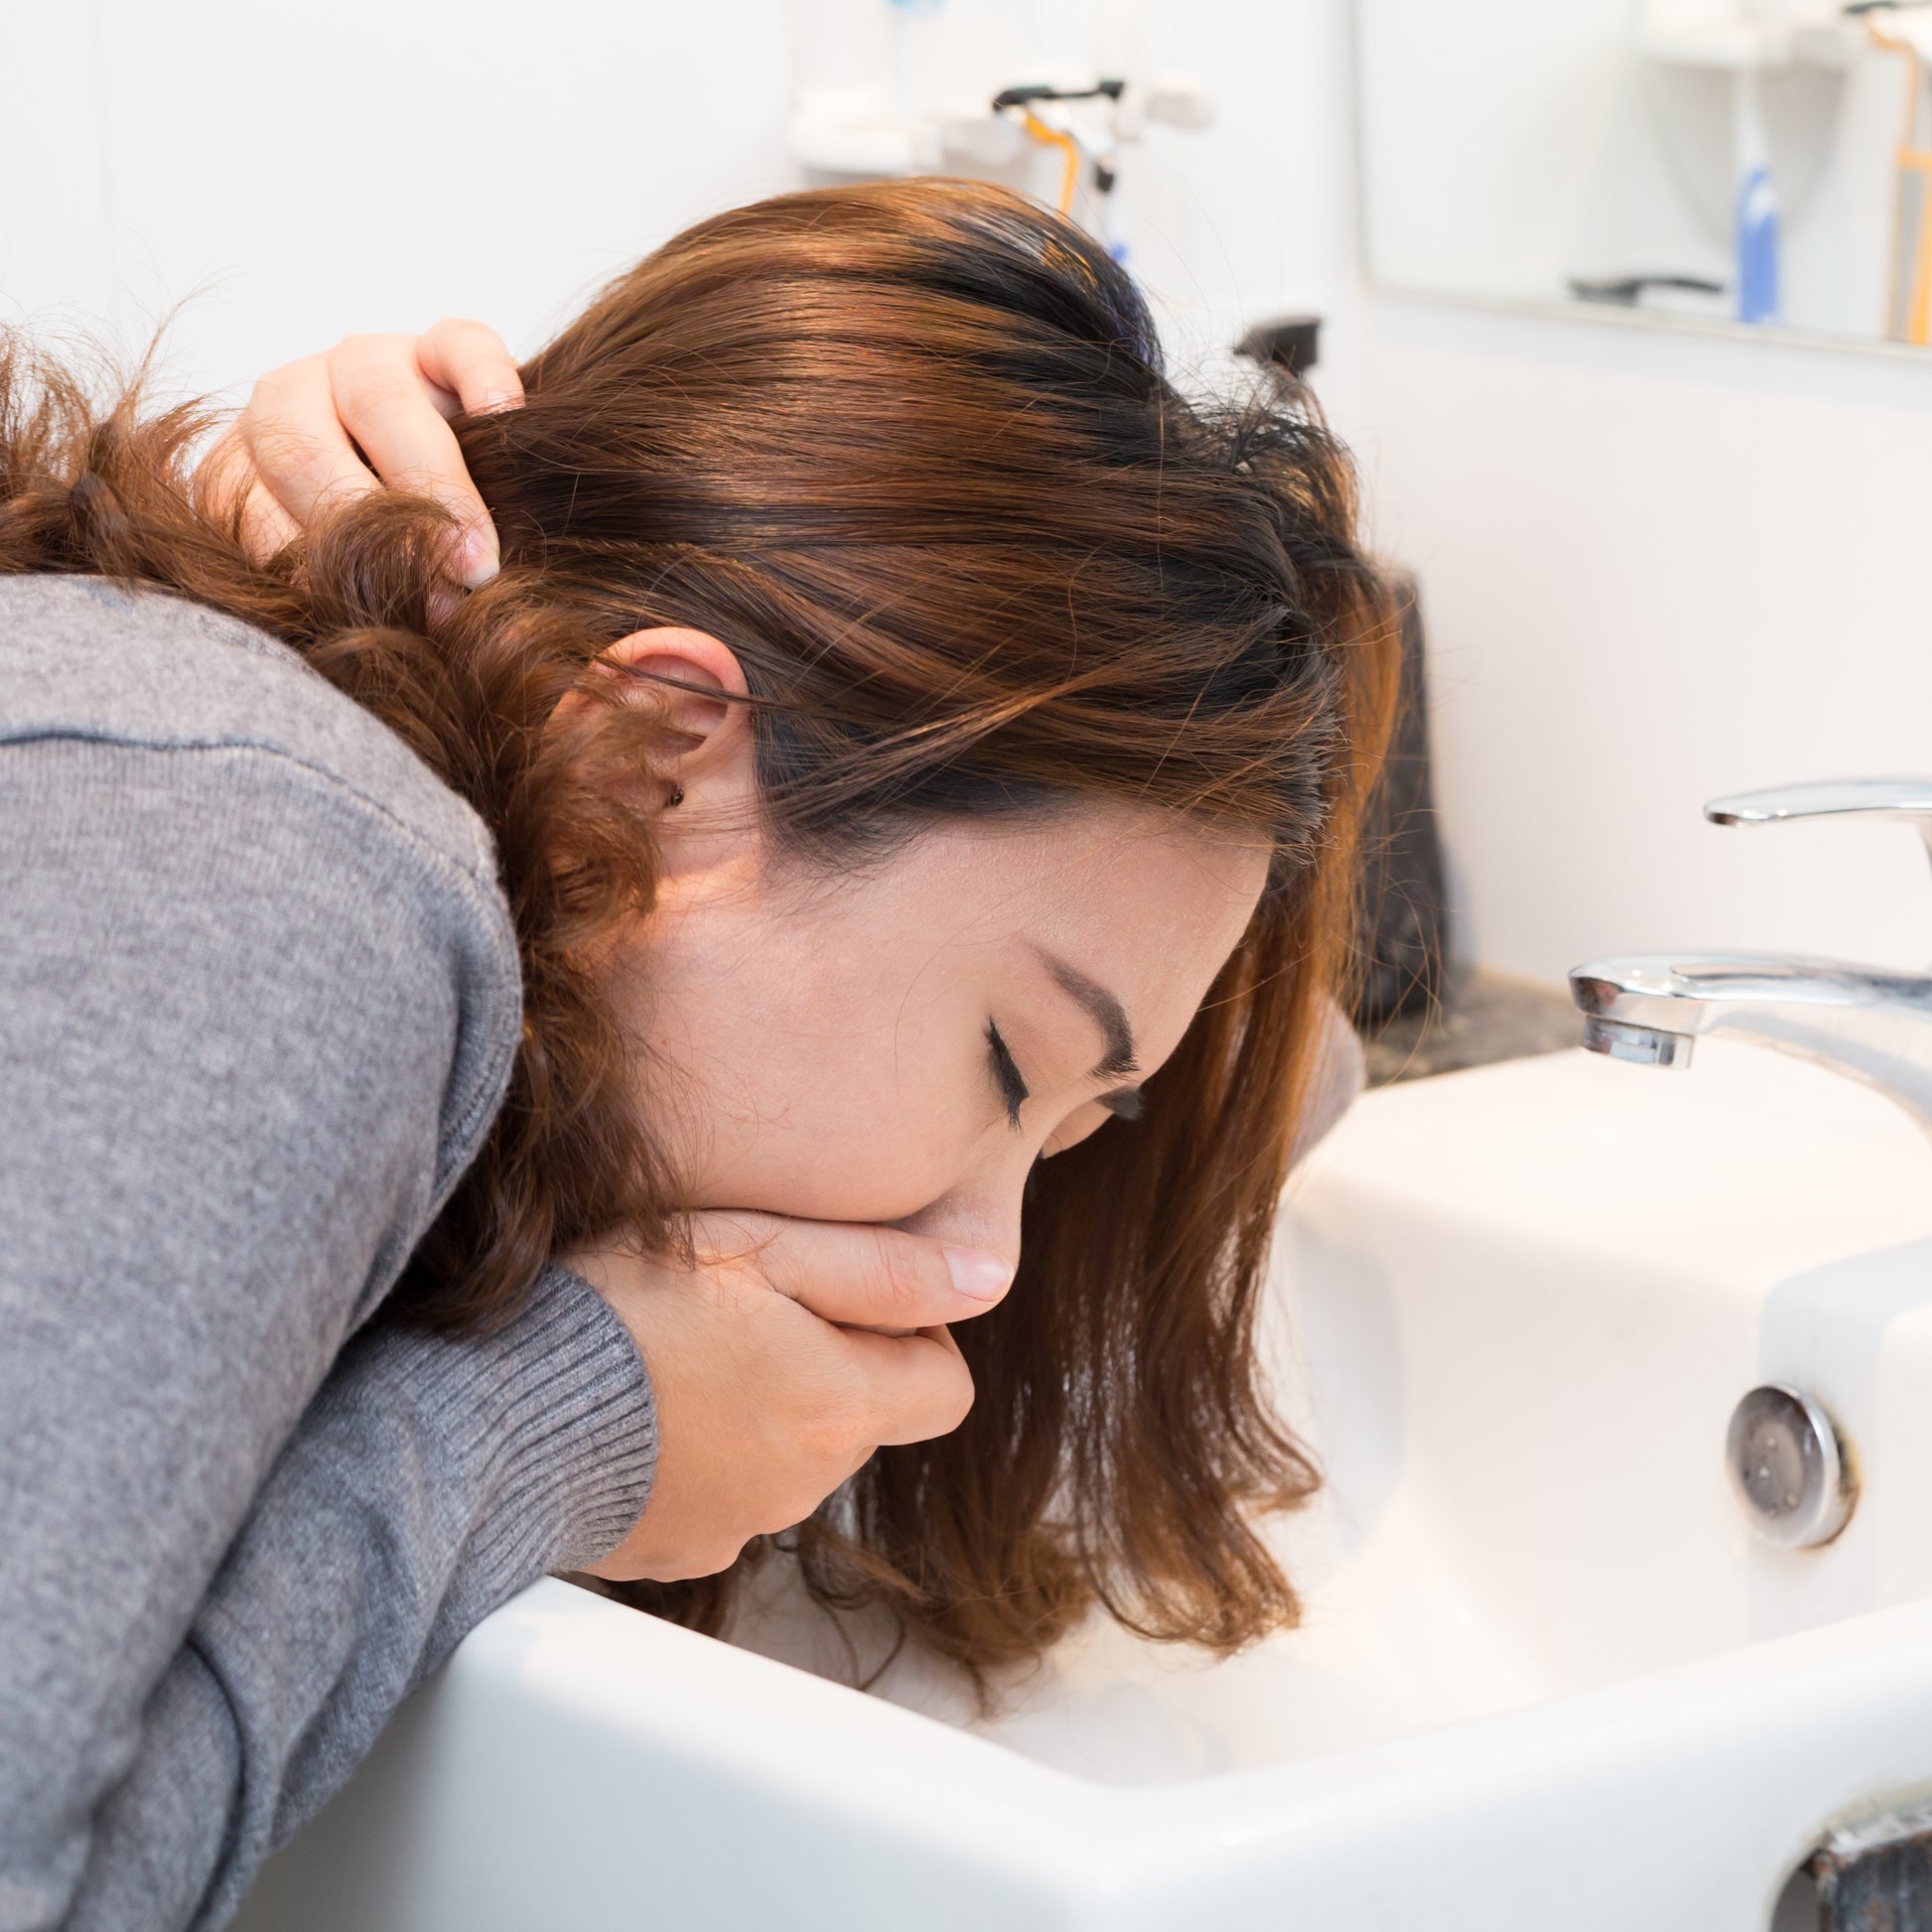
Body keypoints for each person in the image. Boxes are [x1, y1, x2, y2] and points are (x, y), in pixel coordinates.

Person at [0, 179, 1392, 1931]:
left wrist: (464, 618)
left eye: (1062, 1132)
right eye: (997, 1059)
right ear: (658, 759)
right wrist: (548, 1417)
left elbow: (1282, 1067)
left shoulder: (300, 829)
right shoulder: (287, 857)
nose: (982, 1263)